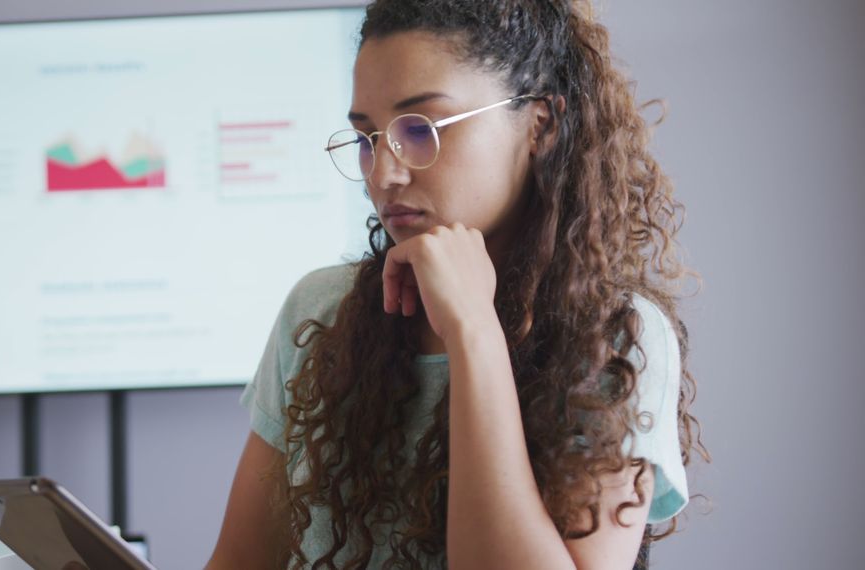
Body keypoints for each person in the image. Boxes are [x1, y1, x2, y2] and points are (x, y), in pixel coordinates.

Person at [207, 0, 706, 568]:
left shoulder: (615, 339)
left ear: (538, 124)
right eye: (368, 138)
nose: (384, 173)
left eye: (419, 129)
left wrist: (474, 331)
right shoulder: (320, 311)